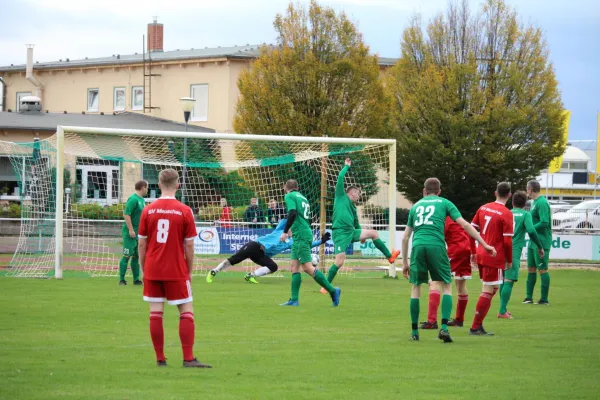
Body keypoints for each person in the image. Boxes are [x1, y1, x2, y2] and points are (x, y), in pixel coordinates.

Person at [402, 178, 496, 343]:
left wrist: (404, 263)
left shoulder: (416, 206)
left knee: (415, 287)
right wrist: (484, 244)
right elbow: (465, 225)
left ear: (424, 191)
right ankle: (444, 328)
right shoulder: (445, 203)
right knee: (446, 284)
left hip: (418, 246)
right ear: (439, 191)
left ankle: (414, 332)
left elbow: (405, 238)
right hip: (437, 246)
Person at [138, 168, 211, 368]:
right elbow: (189, 245)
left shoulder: (148, 210)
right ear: (178, 185)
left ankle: (160, 359)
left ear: (159, 185)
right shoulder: (184, 210)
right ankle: (188, 358)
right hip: (175, 268)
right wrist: (188, 271)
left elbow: (142, 244)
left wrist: (144, 268)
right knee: (186, 311)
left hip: (153, 268)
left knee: (155, 312)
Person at [322, 158, 400, 293]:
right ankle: (325, 286)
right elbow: (340, 177)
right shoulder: (340, 196)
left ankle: (390, 257)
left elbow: (356, 224)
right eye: (358, 193)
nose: (359, 196)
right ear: (351, 192)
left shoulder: (352, 207)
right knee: (339, 261)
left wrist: (362, 235)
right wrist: (346, 166)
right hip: (340, 233)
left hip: (351, 232)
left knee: (374, 233)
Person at [206, 219, 331, 283]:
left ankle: (250, 276)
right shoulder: (279, 230)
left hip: (261, 254)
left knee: (273, 266)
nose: (292, 230)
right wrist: (294, 215)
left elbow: (307, 245)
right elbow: (286, 219)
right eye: (291, 227)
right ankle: (214, 271)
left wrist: (321, 241)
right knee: (233, 260)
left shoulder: (292, 241)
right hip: (254, 246)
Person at [279, 179, 341, 307]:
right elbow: (309, 218)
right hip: (302, 233)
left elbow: (292, 213)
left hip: (301, 235)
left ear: (286, 187)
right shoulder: (303, 198)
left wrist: (285, 231)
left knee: (307, 267)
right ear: (298, 187)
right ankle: (294, 300)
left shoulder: (289, 196)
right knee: (294, 267)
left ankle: (333, 291)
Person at [468, 182, 513, 336]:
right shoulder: (506, 213)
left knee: (492, 288)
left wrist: (473, 251)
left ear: (495, 193)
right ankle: (475, 327)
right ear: (509, 195)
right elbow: (507, 241)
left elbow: (471, 230)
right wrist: (510, 259)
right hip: (494, 255)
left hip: (482, 253)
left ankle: (478, 325)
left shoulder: (483, 207)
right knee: (488, 289)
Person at [420, 216, 472, 329]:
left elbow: (438, 237)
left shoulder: (443, 218)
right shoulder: (456, 217)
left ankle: (431, 321)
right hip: (466, 249)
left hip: (455, 250)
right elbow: (468, 229)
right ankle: (459, 319)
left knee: (434, 281)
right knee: (461, 284)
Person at [499, 191, 544, 318]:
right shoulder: (525, 215)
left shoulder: (505, 212)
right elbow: (531, 230)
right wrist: (540, 246)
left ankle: (503, 309)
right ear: (525, 204)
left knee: (502, 279)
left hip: (501, 249)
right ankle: (502, 311)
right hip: (513, 250)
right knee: (509, 280)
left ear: (512, 202)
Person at [523, 180, 552, 305]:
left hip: (542, 241)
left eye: (527, 189)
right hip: (532, 240)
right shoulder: (534, 202)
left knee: (542, 269)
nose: (526, 192)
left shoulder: (542, 203)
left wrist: (531, 228)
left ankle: (544, 299)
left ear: (530, 189)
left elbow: (544, 222)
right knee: (530, 268)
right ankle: (528, 298)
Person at [119, 180, 148, 286]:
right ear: (143, 187)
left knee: (136, 256)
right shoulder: (133, 199)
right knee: (127, 255)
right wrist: (131, 230)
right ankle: (122, 279)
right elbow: (126, 214)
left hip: (138, 233)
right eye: (147, 187)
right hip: (130, 233)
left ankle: (136, 279)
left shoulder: (142, 200)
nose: (147, 190)